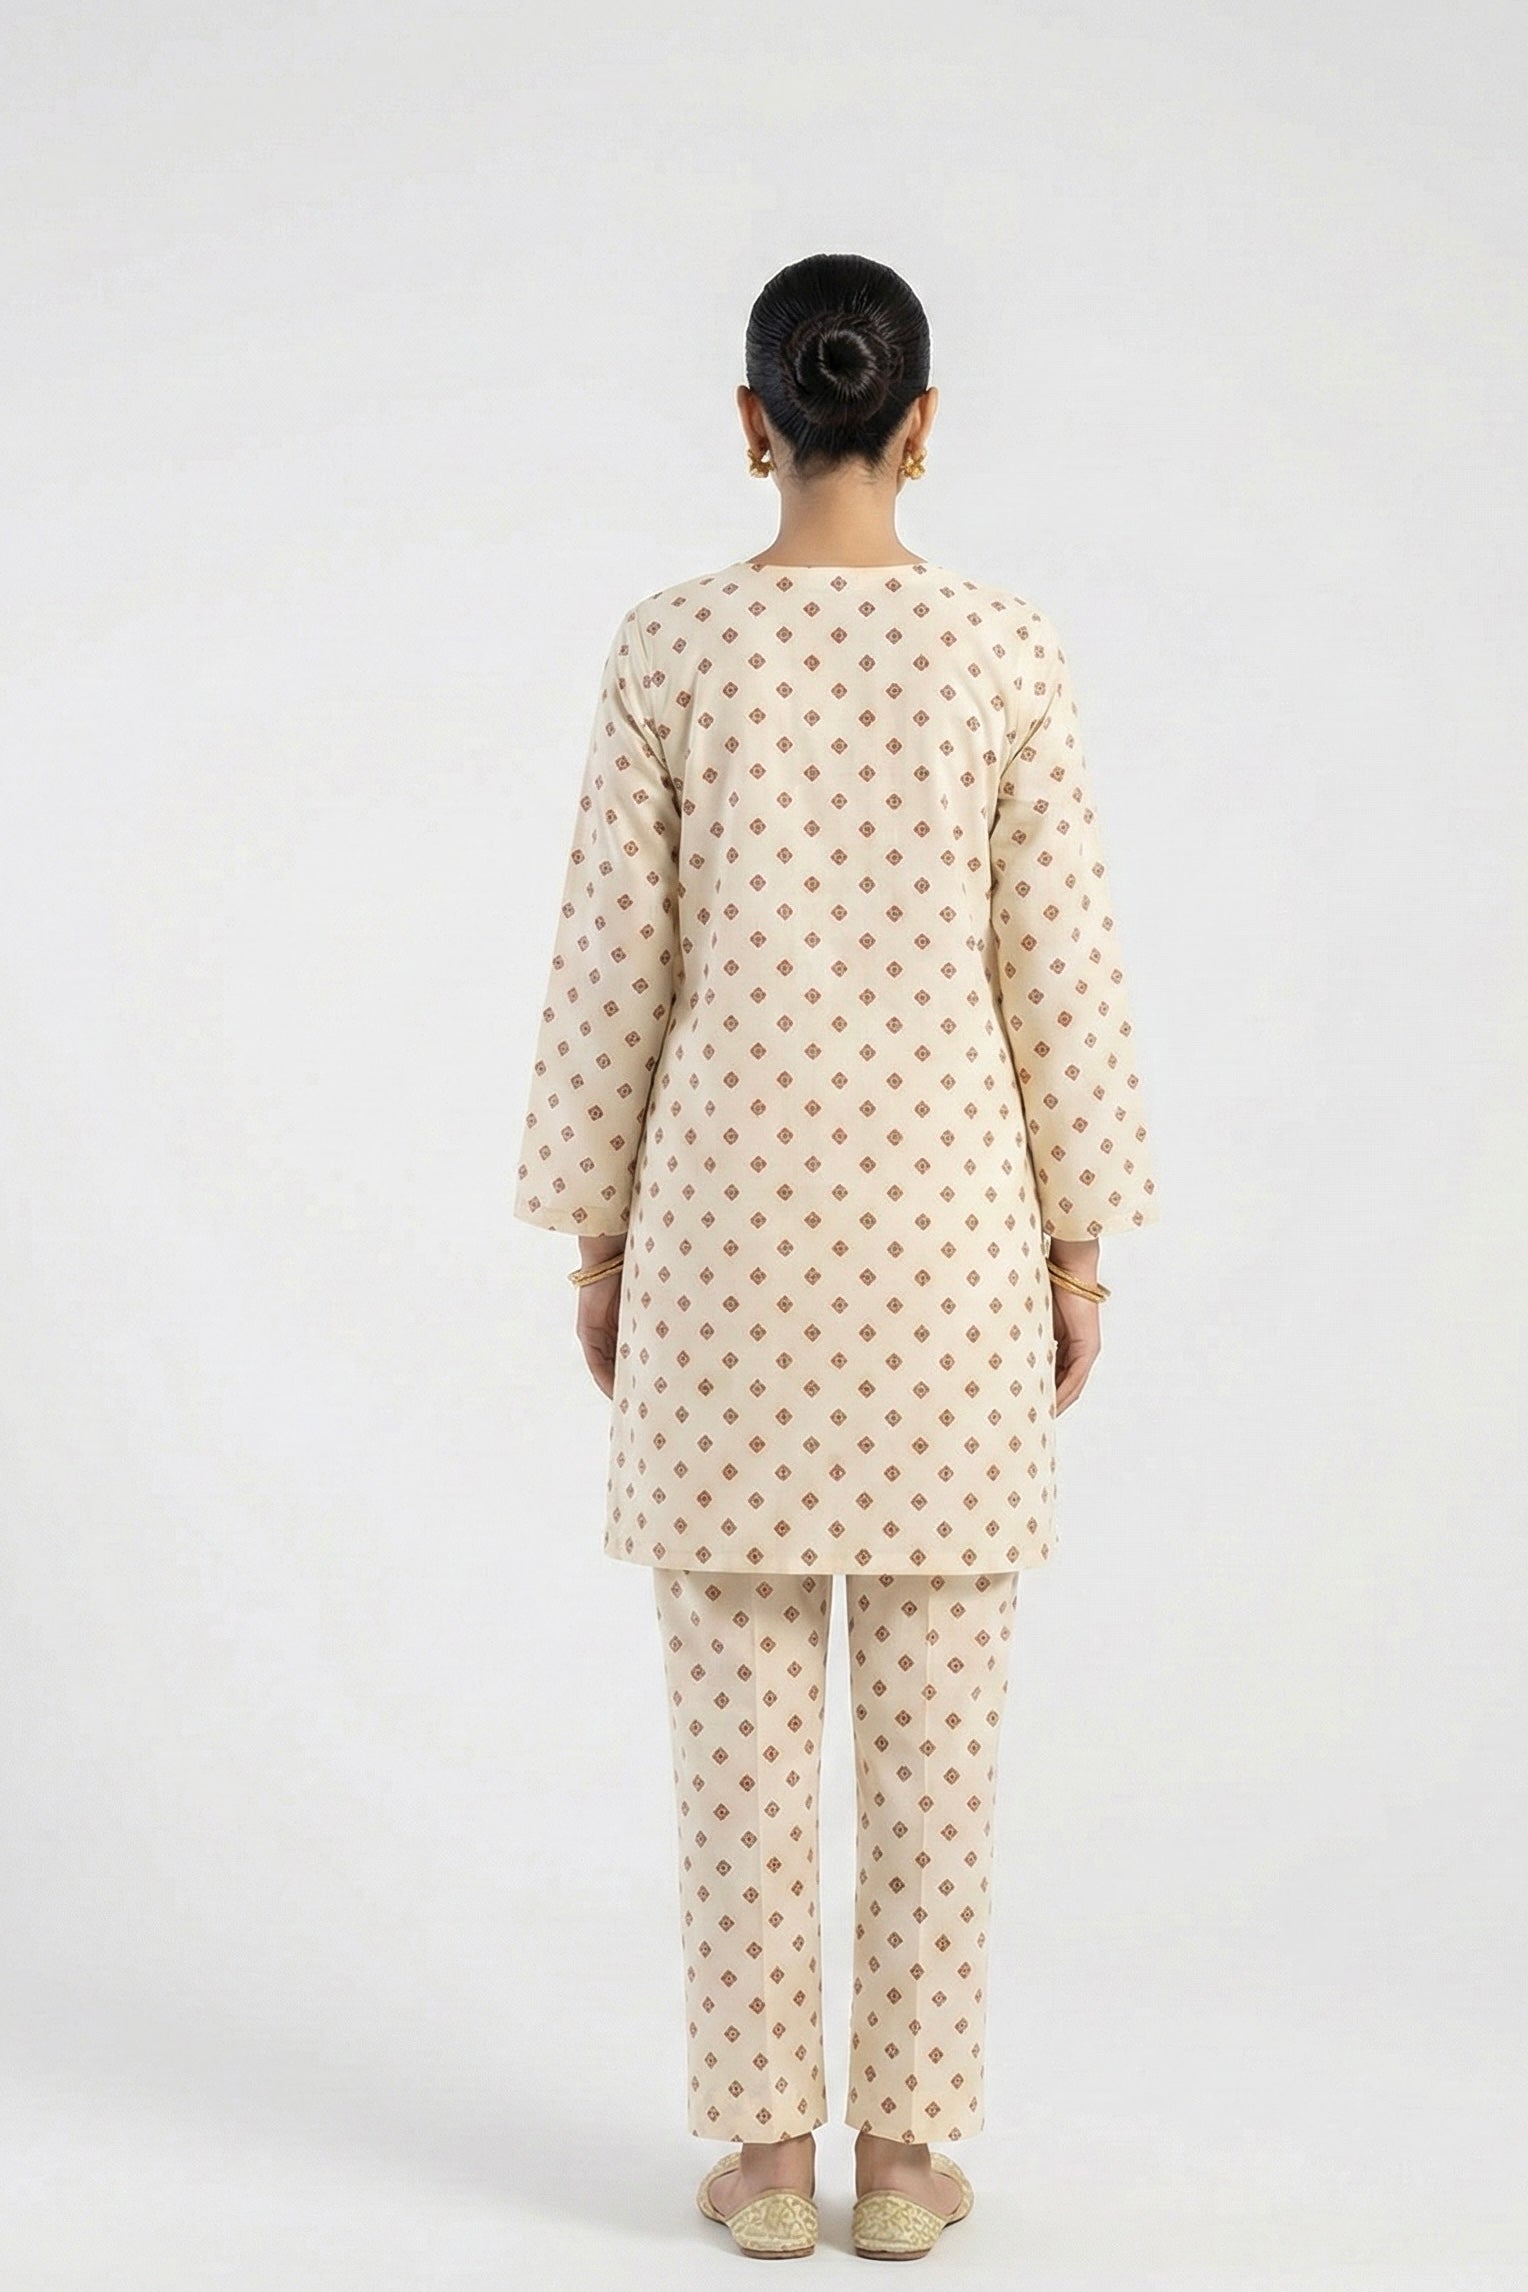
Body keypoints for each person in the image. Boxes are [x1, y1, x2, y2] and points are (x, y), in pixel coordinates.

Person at [513, 251, 1160, 2262]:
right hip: (948, 1252)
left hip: (724, 1248)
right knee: (939, 1744)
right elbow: (1059, 969)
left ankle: (765, 2162)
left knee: (737, 1743)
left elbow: (612, 971)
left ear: (753, 422)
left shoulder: (671, 649)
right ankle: (901, 2161)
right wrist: (1074, 1252)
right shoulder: (1004, 650)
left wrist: (599, 1241)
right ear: (921, 424)